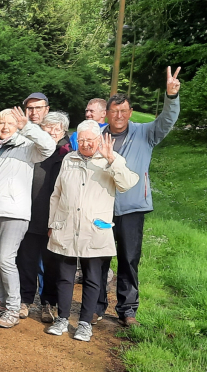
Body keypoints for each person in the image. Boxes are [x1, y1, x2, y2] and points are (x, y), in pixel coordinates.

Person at [99, 67, 181, 327]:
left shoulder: (145, 133)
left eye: (124, 111)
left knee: (129, 259)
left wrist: (171, 96)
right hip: (100, 207)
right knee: (98, 258)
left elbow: (167, 120)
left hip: (132, 208)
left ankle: (127, 310)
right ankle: (95, 306)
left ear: (130, 112)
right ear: (107, 113)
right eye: (114, 111)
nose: (119, 115)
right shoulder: (98, 136)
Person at [46, 120, 138, 341]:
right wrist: (52, 223)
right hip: (66, 226)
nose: (86, 144)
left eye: (90, 140)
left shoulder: (111, 160)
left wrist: (111, 159)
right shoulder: (69, 159)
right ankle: (62, 319)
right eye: (82, 139)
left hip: (95, 229)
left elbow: (127, 184)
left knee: (93, 278)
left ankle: (85, 323)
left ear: (99, 140)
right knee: (65, 277)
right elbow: (56, 194)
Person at [0, 107, 55, 328]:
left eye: (10, 123)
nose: (5, 127)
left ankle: (13, 307)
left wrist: (27, 127)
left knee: (6, 260)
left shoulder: (26, 147)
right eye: (1, 123)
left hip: (14, 213)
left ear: (17, 126)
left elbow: (49, 146)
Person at [16, 111, 72, 324]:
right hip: (29, 214)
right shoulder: (31, 150)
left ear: (63, 132)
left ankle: (48, 302)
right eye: (48, 128)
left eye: (57, 129)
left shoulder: (68, 154)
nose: (52, 132)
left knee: (52, 264)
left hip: (55, 219)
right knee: (26, 260)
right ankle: (25, 299)